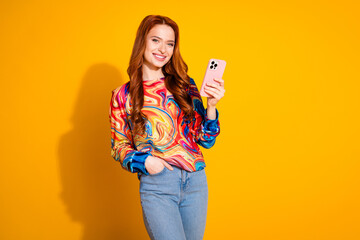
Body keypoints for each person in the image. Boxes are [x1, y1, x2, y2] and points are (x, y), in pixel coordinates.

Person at [109, 15, 225, 240]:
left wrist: (211, 106)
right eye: (155, 40)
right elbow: (119, 146)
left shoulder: (184, 85)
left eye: (170, 44)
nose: (163, 49)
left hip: (195, 182)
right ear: (142, 41)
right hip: (159, 183)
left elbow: (205, 140)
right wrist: (147, 163)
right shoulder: (122, 95)